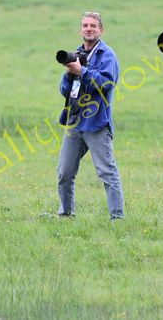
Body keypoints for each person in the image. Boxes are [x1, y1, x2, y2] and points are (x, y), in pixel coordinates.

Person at [56, 12, 124, 220]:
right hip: (76, 122)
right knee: (64, 173)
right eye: (85, 25)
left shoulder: (107, 55)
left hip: (96, 123)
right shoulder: (76, 54)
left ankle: (117, 218)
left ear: (100, 30)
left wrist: (82, 72)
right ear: (80, 30)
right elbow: (63, 89)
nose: (89, 29)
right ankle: (66, 214)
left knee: (106, 172)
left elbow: (106, 83)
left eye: (93, 25)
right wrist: (70, 73)